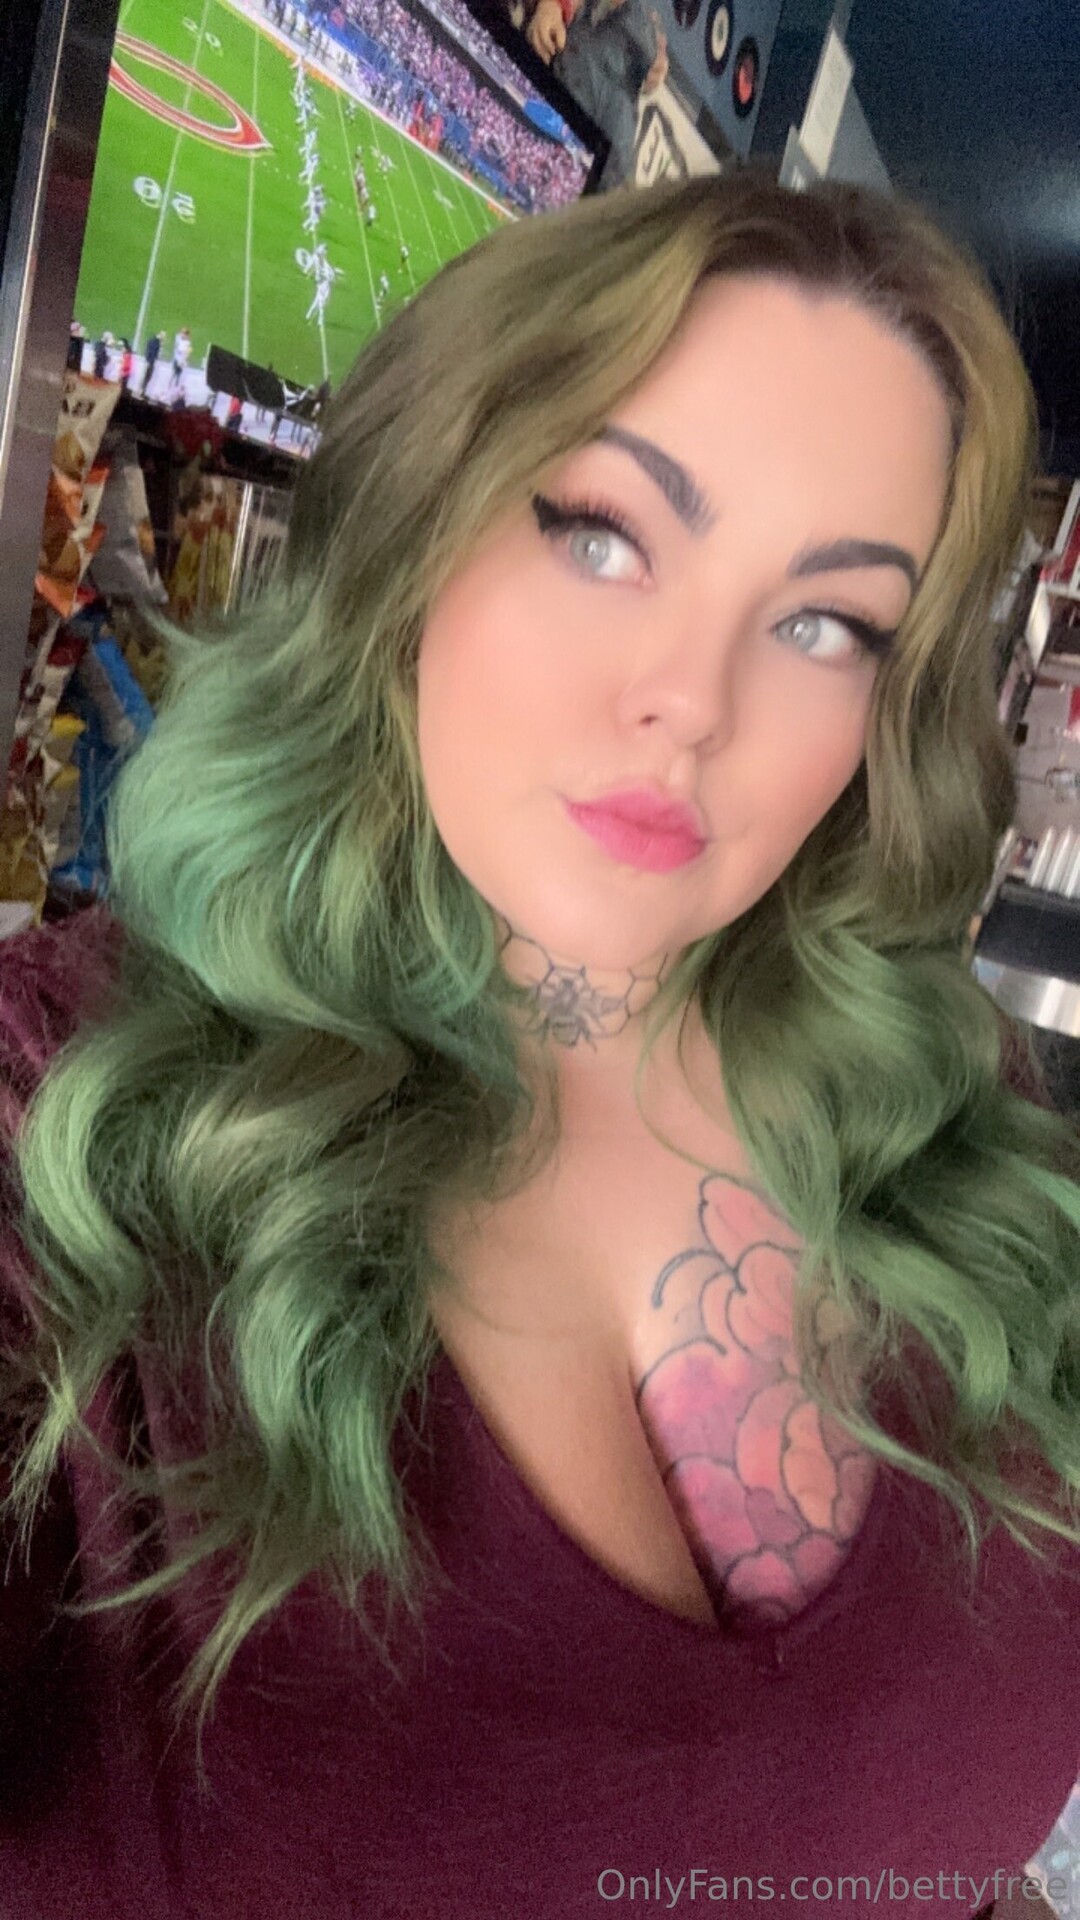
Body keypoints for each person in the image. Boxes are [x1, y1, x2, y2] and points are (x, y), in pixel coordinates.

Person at [1, 170, 1078, 1920]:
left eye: (824, 623)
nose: (691, 703)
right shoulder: (55, 1107)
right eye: (601, 534)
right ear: (418, 524)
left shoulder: (948, 1117)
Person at [141, 328, 165, 395]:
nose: (163, 339)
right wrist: (149, 361)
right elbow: (155, 354)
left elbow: (149, 350)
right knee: (147, 377)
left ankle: (142, 390)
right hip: (150, 362)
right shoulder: (156, 343)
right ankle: (142, 391)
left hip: (149, 361)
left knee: (146, 377)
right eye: (163, 337)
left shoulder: (154, 341)